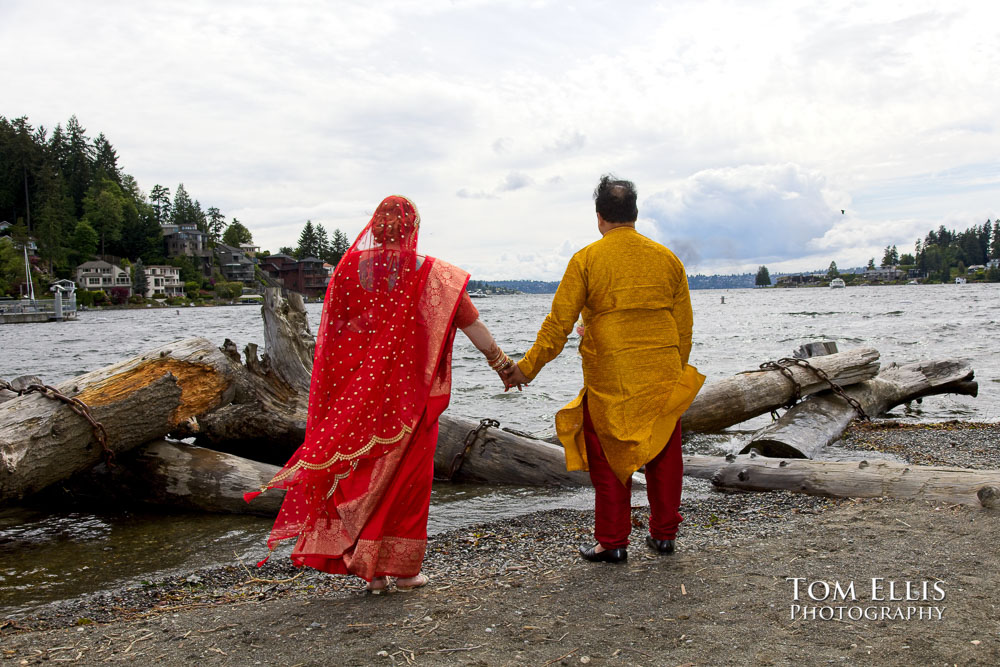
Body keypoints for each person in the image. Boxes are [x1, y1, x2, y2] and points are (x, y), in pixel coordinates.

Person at [247, 195, 517, 592]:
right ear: (412, 229)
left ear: (375, 228)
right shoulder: (432, 274)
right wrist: (503, 365)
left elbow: (333, 338)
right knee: (408, 481)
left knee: (363, 474)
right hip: (411, 393)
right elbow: (469, 321)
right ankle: (402, 571)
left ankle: (370, 570)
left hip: (361, 392)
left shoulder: (347, 272)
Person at [503, 175, 704, 564]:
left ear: (599, 218)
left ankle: (612, 542)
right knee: (663, 452)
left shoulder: (586, 260)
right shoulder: (668, 259)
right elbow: (685, 328)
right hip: (661, 371)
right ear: (635, 215)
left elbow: (558, 324)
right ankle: (664, 536)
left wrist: (525, 370)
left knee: (608, 454)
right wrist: (674, 371)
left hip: (611, 375)